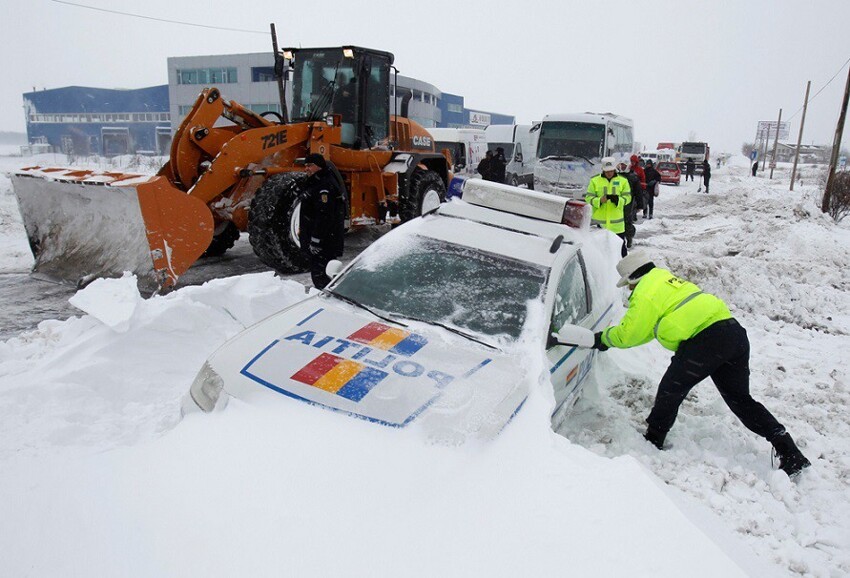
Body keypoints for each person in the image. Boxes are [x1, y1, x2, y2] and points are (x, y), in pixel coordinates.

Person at [592, 251, 812, 479]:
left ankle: (653, 439)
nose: (628, 289)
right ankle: (790, 452)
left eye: (628, 285)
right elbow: (647, 329)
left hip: (706, 341)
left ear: (633, 279)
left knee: (671, 388)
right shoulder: (666, 281)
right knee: (741, 400)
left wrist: (603, 340)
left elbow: (630, 333)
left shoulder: (645, 292)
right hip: (733, 334)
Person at [299, 153, 346, 289]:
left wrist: (316, 239)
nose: (306, 169)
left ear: (319, 166)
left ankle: (326, 299)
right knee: (322, 272)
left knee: (323, 275)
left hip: (325, 242)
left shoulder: (324, 185)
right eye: (305, 166)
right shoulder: (316, 182)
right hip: (323, 239)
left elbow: (324, 215)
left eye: (310, 165)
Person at [585, 157, 631, 257]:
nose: (609, 173)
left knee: (621, 254)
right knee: (598, 255)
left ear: (614, 169)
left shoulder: (623, 181)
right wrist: (599, 201)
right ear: (603, 169)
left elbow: (628, 198)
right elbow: (588, 198)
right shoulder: (594, 181)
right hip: (599, 226)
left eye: (611, 171)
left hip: (617, 227)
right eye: (607, 171)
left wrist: (618, 200)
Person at [617, 161, 640, 249]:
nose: (622, 167)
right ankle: (619, 240)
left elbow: (638, 192)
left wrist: (640, 205)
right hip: (617, 204)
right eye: (621, 165)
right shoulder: (616, 176)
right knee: (618, 223)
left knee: (627, 222)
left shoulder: (633, 177)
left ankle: (629, 237)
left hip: (629, 204)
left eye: (624, 165)